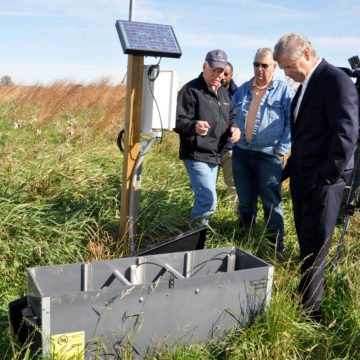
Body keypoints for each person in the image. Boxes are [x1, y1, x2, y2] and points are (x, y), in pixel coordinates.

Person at [274, 33, 358, 320]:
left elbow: (346, 134)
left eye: (288, 66)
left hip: (323, 184)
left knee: (316, 248)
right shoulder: (307, 84)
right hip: (304, 178)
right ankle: (305, 296)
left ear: (307, 54)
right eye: (283, 68)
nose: (286, 73)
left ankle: (312, 313)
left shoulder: (335, 81)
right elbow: (307, 135)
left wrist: (327, 176)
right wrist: (289, 171)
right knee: (308, 242)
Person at [231, 48, 293, 252]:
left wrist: (281, 150)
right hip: (241, 153)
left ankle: (275, 248)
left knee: (271, 204)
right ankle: (246, 239)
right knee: (246, 202)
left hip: (269, 155)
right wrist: (233, 130)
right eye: (256, 64)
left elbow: (293, 123)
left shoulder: (284, 92)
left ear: (274, 67)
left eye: (264, 65)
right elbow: (231, 117)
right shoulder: (242, 90)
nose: (259, 69)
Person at [175, 49, 240, 224]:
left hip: (215, 155)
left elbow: (231, 118)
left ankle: (197, 238)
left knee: (206, 202)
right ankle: (194, 244)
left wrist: (234, 129)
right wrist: (194, 126)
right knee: (208, 202)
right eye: (214, 70)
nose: (217, 75)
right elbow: (177, 121)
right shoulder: (190, 90)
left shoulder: (223, 93)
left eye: (221, 71)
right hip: (196, 154)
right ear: (204, 67)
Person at [219, 62, 238, 204]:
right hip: (210, 148)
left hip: (229, 147)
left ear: (232, 75)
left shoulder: (239, 94)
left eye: (226, 74)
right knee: (206, 186)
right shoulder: (207, 91)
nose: (223, 77)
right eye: (221, 73)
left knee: (232, 184)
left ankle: (229, 215)